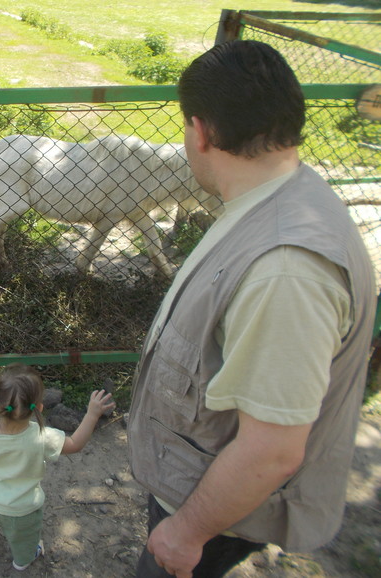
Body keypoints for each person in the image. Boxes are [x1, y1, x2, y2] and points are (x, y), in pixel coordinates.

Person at [128, 40, 376, 578]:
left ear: (203, 132)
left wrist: (186, 533)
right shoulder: (274, 196)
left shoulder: (287, 271)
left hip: (211, 512)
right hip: (199, 469)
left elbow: (271, 451)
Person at [0, 363, 115, 571]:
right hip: (22, 509)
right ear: (39, 407)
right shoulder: (42, 436)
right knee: (24, 538)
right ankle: (22, 561)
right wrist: (92, 414)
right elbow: (75, 444)